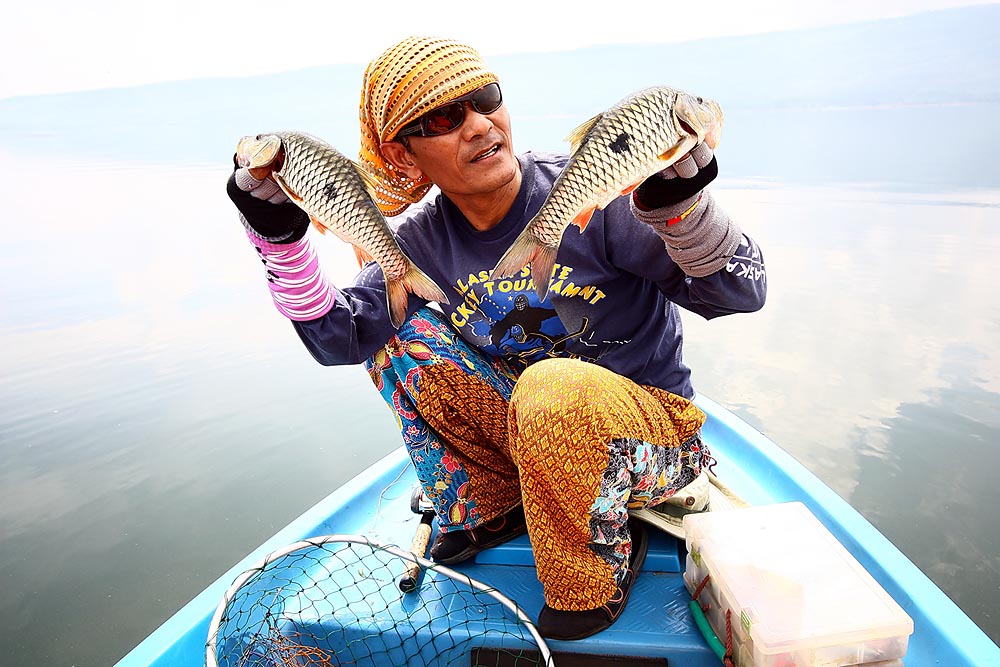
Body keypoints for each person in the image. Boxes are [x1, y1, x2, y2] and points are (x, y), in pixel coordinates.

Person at [226, 36, 766, 640]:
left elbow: (740, 294)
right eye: (442, 118)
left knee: (551, 387)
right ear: (403, 158)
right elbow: (337, 339)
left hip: (653, 445)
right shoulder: (414, 247)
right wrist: (279, 239)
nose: (480, 126)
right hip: (527, 441)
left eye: (486, 100)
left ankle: (593, 573)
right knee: (398, 336)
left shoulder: (599, 199)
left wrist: (681, 210)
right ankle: (497, 505)